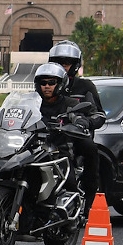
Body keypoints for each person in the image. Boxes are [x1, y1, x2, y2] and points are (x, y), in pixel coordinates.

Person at [48, 41, 105, 217]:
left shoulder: (85, 86)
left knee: (91, 149)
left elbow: (99, 115)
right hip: (49, 135)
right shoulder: (46, 83)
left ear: (75, 65)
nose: (62, 67)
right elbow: (31, 106)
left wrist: (85, 123)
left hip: (74, 136)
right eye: (58, 62)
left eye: (66, 63)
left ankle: (89, 200)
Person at [33, 62, 92, 201]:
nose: (46, 86)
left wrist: (79, 122)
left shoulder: (69, 104)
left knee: (69, 183)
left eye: (51, 82)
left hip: (59, 153)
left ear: (60, 84)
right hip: (33, 150)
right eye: (43, 82)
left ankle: (77, 205)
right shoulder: (32, 102)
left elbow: (78, 116)